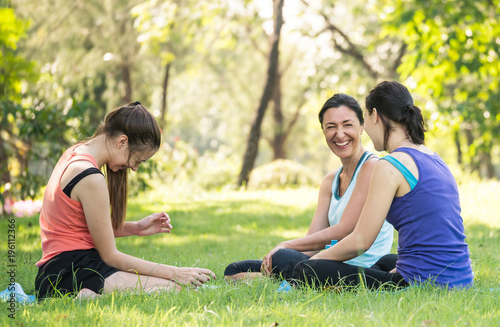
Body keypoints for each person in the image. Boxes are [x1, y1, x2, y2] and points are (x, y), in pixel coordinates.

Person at [289, 81, 473, 290]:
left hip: (424, 282)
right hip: (461, 277)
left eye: (365, 119)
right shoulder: (433, 156)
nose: (365, 128)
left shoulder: (389, 165)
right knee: (387, 261)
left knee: (307, 271)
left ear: (375, 115)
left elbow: (360, 241)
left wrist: (313, 262)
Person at [35, 102, 215, 300]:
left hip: (59, 270)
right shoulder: (89, 176)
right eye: (137, 160)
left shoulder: (75, 154)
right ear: (122, 142)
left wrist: (136, 228)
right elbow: (110, 256)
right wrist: (176, 272)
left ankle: (91, 296)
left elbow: (79, 228)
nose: (135, 168)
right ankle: (88, 297)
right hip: (71, 273)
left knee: (170, 287)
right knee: (178, 289)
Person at [224, 94, 394, 281]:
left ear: (362, 127)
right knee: (234, 269)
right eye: (331, 127)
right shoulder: (331, 180)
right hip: (328, 262)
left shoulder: (372, 167)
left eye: (347, 124)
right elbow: (313, 242)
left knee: (282, 257)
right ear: (323, 131)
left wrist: (286, 245)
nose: (339, 134)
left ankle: (286, 278)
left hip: (362, 266)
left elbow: (346, 229)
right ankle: (289, 277)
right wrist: (286, 255)